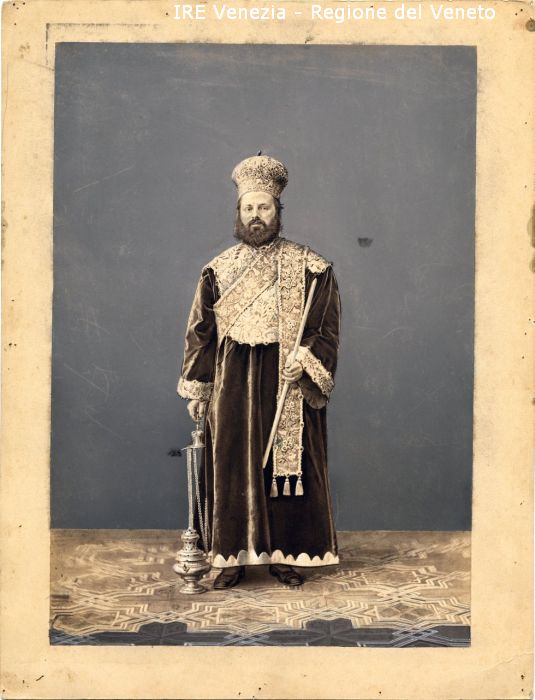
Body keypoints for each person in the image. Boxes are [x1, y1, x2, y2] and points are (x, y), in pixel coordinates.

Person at [177, 154, 340, 589]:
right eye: (249, 207)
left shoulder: (312, 268)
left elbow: (325, 327)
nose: (256, 215)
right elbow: (201, 333)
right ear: (239, 211)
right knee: (231, 462)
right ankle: (230, 558)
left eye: (263, 207)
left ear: (277, 210)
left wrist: (305, 359)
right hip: (231, 379)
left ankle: (284, 556)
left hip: (285, 378)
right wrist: (198, 388)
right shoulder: (217, 269)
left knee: (286, 471)